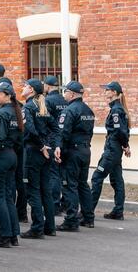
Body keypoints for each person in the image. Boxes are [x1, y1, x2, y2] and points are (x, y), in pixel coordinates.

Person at [19, 79, 60, 239]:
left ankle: (37, 227)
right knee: (45, 190)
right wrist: (54, 146)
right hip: (45, 152)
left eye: (25, 86)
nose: (23, 88)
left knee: (33, 191)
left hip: (34, 152)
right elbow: (55, 128)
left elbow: (29, 129)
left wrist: (42, 146)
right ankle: (50, 227)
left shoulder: (28, 107)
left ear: (31, 90)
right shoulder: (42, 106)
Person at [54, 80, 96, 231]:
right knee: (83, 184)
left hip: (72, 152)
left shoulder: (69, 111)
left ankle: (71, 220)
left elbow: (63, 133)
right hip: (85, 150)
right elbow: (90, 132)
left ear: (71, 94)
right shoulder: (88, 110)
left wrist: (58, 149)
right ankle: (88, 218)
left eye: (65, 91)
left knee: (69, 185)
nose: (64, 94)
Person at [0, 80, 23, 248]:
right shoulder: (16, 111)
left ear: (7, 96)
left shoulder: (1, 113)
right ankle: (13, 234)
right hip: (11, 155)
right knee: (8, 196)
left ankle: (5, 236)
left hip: (1, 157)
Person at [91, 81, 131, 221]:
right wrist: (126, 145)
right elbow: (125, 130)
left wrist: (125, 144)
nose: (105, 92)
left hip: (112, 150)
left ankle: (87, 212)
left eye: (107, 90)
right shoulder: (119, 109)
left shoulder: (116, 110)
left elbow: (120, 131)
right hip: (116, 150)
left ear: (114, 92)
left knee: (97, 178)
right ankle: (118, 211)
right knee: (117, 181)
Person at [43, 76, 68, 214]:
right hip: (63, 139)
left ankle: (54, 204)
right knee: (62, 173)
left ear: (47, 86)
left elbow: (46, 121)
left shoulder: (48, 101)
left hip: (52, 139)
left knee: (53, 173)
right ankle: (64, 203)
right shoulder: (65, 99)